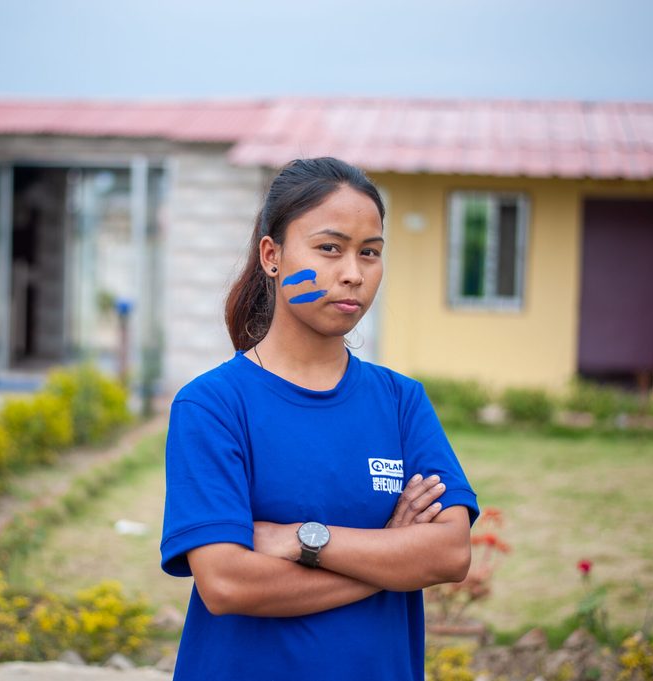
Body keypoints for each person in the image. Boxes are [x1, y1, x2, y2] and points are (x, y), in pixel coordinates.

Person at [160, 157, 479, 680]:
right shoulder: (213, 406)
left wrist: (304, 540)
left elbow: (449, 553)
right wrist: (392, 560)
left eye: (369, 252)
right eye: (330, 248)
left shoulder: (401, 402)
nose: (353, 273)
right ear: (272, 255)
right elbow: (226, 583)